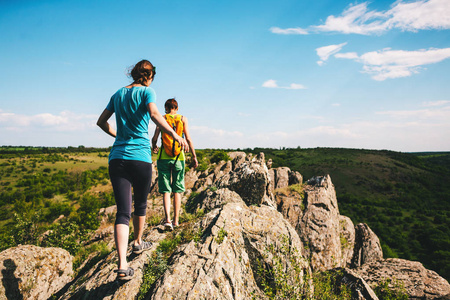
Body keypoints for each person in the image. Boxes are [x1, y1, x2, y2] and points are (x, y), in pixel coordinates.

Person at [97, 60, 187, 281]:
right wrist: (175, 135)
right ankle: (137, 243)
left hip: (117, 158)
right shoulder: (148, 92)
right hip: (140, 158)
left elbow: (101, 122)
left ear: (133, 74)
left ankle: (122, 265)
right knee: (141, 204)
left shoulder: (118, 94)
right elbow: (155, 115)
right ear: (149, 76)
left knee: (122, 211)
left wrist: (118, 136)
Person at [151, 98, 198, 231]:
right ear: (176, 108)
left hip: (163, 158)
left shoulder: (162, 118)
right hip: (179, 158)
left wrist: (154, 146)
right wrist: (194, 156)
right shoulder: (183, 119)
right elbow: (187, 138)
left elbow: (154, 138)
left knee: (166, 191)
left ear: (166, 108)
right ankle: (176, 221)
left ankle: (167, 220)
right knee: (177, 190)